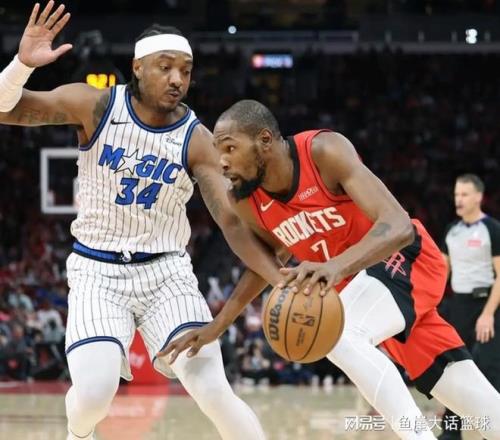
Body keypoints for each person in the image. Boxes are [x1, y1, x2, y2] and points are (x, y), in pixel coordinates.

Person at [0, 4, 283, 440]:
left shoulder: (197, 139)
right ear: (137, 67)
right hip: (97, 271)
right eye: (165, 67)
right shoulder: (96, 105)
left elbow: (231, 224)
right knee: (92, 396)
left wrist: (279, 277)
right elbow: (6, 109)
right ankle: (78, 434)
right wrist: (22, 65)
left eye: (185, 70)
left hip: (166, 275)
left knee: (213, 390)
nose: (177, 79)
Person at [162, 100, 500, 440]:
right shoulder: (247, 200)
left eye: (230, 148)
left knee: (339, 335)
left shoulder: (323, 152)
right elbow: (267, 264)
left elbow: (398, 226)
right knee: (473, 398)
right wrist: (217, 325)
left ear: (264, 140)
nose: (222, 161)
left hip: (403, 260)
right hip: (362, 294)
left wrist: (335, 267)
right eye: (218, 151)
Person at [439, 174, 500, 440]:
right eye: (456, 194)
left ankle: (493, 432)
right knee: (455, 369)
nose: (459, 199)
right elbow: (441, 272)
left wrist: (488, 314)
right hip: (459, 306)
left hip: (488, 304)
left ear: (478, 197)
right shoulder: (451, 231)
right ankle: (451, 433)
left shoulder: (492, 229)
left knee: (489, 369)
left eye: (464, 194)